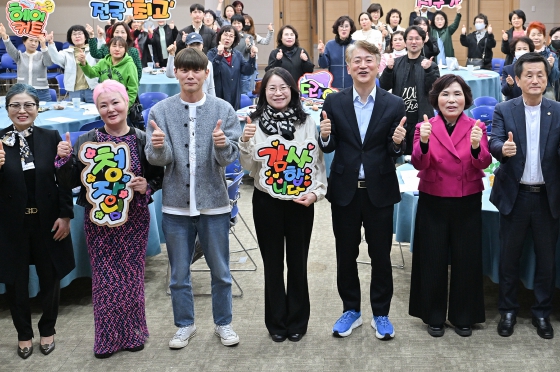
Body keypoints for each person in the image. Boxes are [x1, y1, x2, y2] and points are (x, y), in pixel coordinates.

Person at [55, 80, 163, 358]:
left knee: (131, 277)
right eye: (103, 105)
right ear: (97, 109)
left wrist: (147, 186)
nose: (110, 109)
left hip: (134, 218)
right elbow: (69, 182)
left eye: (115, 102)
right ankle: (106, 338)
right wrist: (63, 161)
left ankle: (133, 333)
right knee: (104, 280)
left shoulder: (141, 139)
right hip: (99, 220)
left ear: (126, 103)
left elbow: (158, 175)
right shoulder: (87, 140)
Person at [145, 47, 242, 349]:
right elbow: (157, 159)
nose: (190, 75)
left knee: (221, 271)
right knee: (178, 274)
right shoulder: (160, 111)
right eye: (184, 69)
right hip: (175, 204)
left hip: (214, 203)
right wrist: (158, 146)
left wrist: (222, 144)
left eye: (196, 69)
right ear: (175, 72)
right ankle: (184, 324)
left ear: (205, 73)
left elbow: (229, 158)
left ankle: (223, 323)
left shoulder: (223, 109)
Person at [319, 40, 407, 340]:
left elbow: (395, 149)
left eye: (369, 59)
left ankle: (381, 313)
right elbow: (329, 145)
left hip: (379, 189)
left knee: (381, 255)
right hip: (345, 189)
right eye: (356, 60)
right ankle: (351, 310)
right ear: (348, 66)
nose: (363, 65)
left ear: (378, 64)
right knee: (346, 253)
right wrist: (325, 137)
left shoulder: (394, 104)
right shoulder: (334, 102)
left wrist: (397, 142)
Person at [489, 52, 560, 340]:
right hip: (515, 194)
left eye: (540, 75)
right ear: (518, 79)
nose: (535, 80)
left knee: (546, 259)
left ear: (547, 78)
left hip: (547, 196)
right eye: (529, 75)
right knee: (509, 257)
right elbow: (494, 140)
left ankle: (541, 312)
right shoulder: (504, 108)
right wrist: (502, 150)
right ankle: (508, 310)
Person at [0, 84, 74, 359]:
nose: (22, 110)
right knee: (16, 282)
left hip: (47, 221)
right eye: (15, 105)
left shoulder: (51, 137)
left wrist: (65, 215)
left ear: (38, 109)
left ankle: (48, 330)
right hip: (11, 223)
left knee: (50, 277)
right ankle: (23, 334)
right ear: (7, 109)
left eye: (28, 105)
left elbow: (63, 182)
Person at [239, 68, 327, 342]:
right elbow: (248, 167)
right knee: (273, 264)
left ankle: (298, 320)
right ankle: (276, 322)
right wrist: (245, 140)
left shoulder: (307, 121)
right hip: (267, 201)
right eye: (272, 88)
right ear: (264, 92)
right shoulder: (254, 122)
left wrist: (316, 193)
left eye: (283, 87)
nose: (278, 93)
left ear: (292, 90)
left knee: (298, 263)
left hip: (301, 202)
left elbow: (317, 163)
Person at [409, 75, 491, 337]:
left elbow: (484, 162)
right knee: (432, 257)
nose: (451, 100)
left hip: (467, 198)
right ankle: (433, 314)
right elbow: (418, 163)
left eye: (457, 94)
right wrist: (423, 142)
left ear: (466, 98)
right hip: (433, 197)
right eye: (445, 94)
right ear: (436, 99)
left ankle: (463, 315)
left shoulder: (477, 126)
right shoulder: (424, 126)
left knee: (466, 259)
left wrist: (477, 146)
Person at [380, 26, 440, 155]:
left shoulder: (431, 65)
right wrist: (388, 70)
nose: (413, 42)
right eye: (410, 39)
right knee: (398, 155)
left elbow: (435, 91)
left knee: (421, 155)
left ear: (423, 41)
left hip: (422, 119)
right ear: (405, 41)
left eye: (417, 39)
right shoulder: (395, 63)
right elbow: (384, 86)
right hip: (400, 119)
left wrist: (428, 71)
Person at [79, 35, 139, 115]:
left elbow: (133, 89)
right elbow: (91, 73)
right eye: (114, 46)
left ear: (125, 50)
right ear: (109, 48)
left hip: (121, 109)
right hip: (106, 105)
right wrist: (83, 63)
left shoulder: (129, 65)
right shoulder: (103, 62)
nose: (117, 49)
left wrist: (125, 107)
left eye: (121, 47)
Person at [0, 24, 54, 102]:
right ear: (24, 42)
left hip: (41, 91)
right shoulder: (19, 56)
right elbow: (10, 49)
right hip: (23, 91)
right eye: (31, 40)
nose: (33, 43)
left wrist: (43, 45)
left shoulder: (42, 55)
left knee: (45, 109)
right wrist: (4, 35)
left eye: (36, 41)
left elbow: (48, 63)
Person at [207, 26, 256, 110]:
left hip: (234, 95)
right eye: (225, 35)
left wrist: (252, 57)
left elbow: (247, 71)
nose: (228, 38)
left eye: (231, 36)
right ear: (220, 36)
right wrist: (219, 55)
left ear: (234, 39)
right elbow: (212, 72)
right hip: (218, 95)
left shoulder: (237, 54)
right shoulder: (211, 53)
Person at [47, 25, 98, 103]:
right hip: (75, 90)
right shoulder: (66, 52)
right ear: (70, 38)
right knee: (76, 110)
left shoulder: (93, 50)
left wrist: (92, 36)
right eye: (74, 34)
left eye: (80, 33)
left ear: (85, 37)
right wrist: (51, 43)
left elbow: (101, 57)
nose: (77, 36)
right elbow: (56, 59)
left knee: (94, 109)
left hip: (92, 88)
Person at [319, 16, 355, 89]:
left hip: (352, 86)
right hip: (334, 86)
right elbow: (323, 65)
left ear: (350, 28)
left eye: (346, 26)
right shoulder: (330, 44)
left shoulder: (356, 44)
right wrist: (322, 53)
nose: (344, 29)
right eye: (341, 26)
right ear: (337, 28)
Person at [525, 22, 560, 99]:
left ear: (544, 38)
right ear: (528, 37)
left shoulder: (551, 55)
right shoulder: (524, 54)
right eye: (533, 35)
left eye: (539, 34)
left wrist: (551, 67)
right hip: (527, 90)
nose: (536, 37)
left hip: (546, 91)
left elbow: (555, 78)